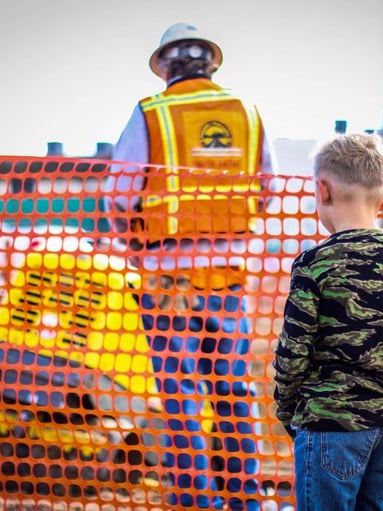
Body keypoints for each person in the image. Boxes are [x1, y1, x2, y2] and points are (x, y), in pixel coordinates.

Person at [109, 21, 277, 510]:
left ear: (164, 68)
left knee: (182, 399)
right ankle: (244, 500)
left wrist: (137, 239)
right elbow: (266, 190)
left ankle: (196, 503)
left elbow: (119, 194)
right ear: (211, 63)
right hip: (230, 281)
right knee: (233, 394)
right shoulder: (246, 114)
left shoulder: (151, 113)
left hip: (168, 283)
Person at [273, 133, 383, 511]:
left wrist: (287, 407)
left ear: (321, 191)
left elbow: (293, 351)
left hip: (328, 424)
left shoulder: (314, 263)